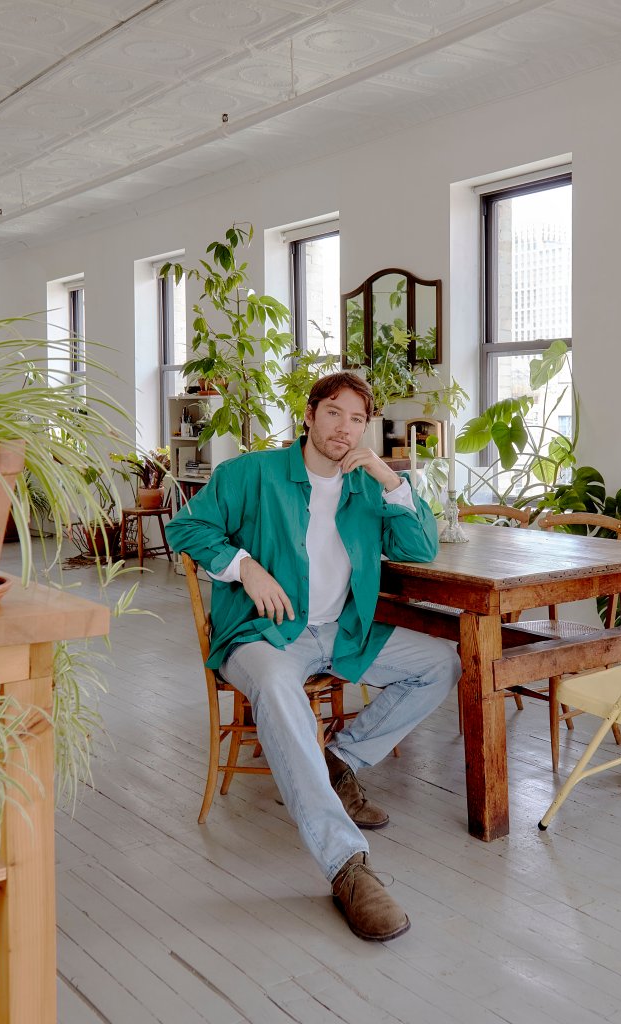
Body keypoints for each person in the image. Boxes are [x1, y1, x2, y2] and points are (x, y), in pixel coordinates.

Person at [166, 371, 461, 941]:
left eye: (357, 419)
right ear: (309, 414)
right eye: (334, 413)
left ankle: (340, 760)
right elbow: (186, 527)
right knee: (278, 690)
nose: (344, 429)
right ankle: (346, 865)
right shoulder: (250, 473)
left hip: (342, 632)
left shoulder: (365, 487)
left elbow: (421, 546)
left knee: (440, 664)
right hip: (264, 634)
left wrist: (387, 475)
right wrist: (244, 567)